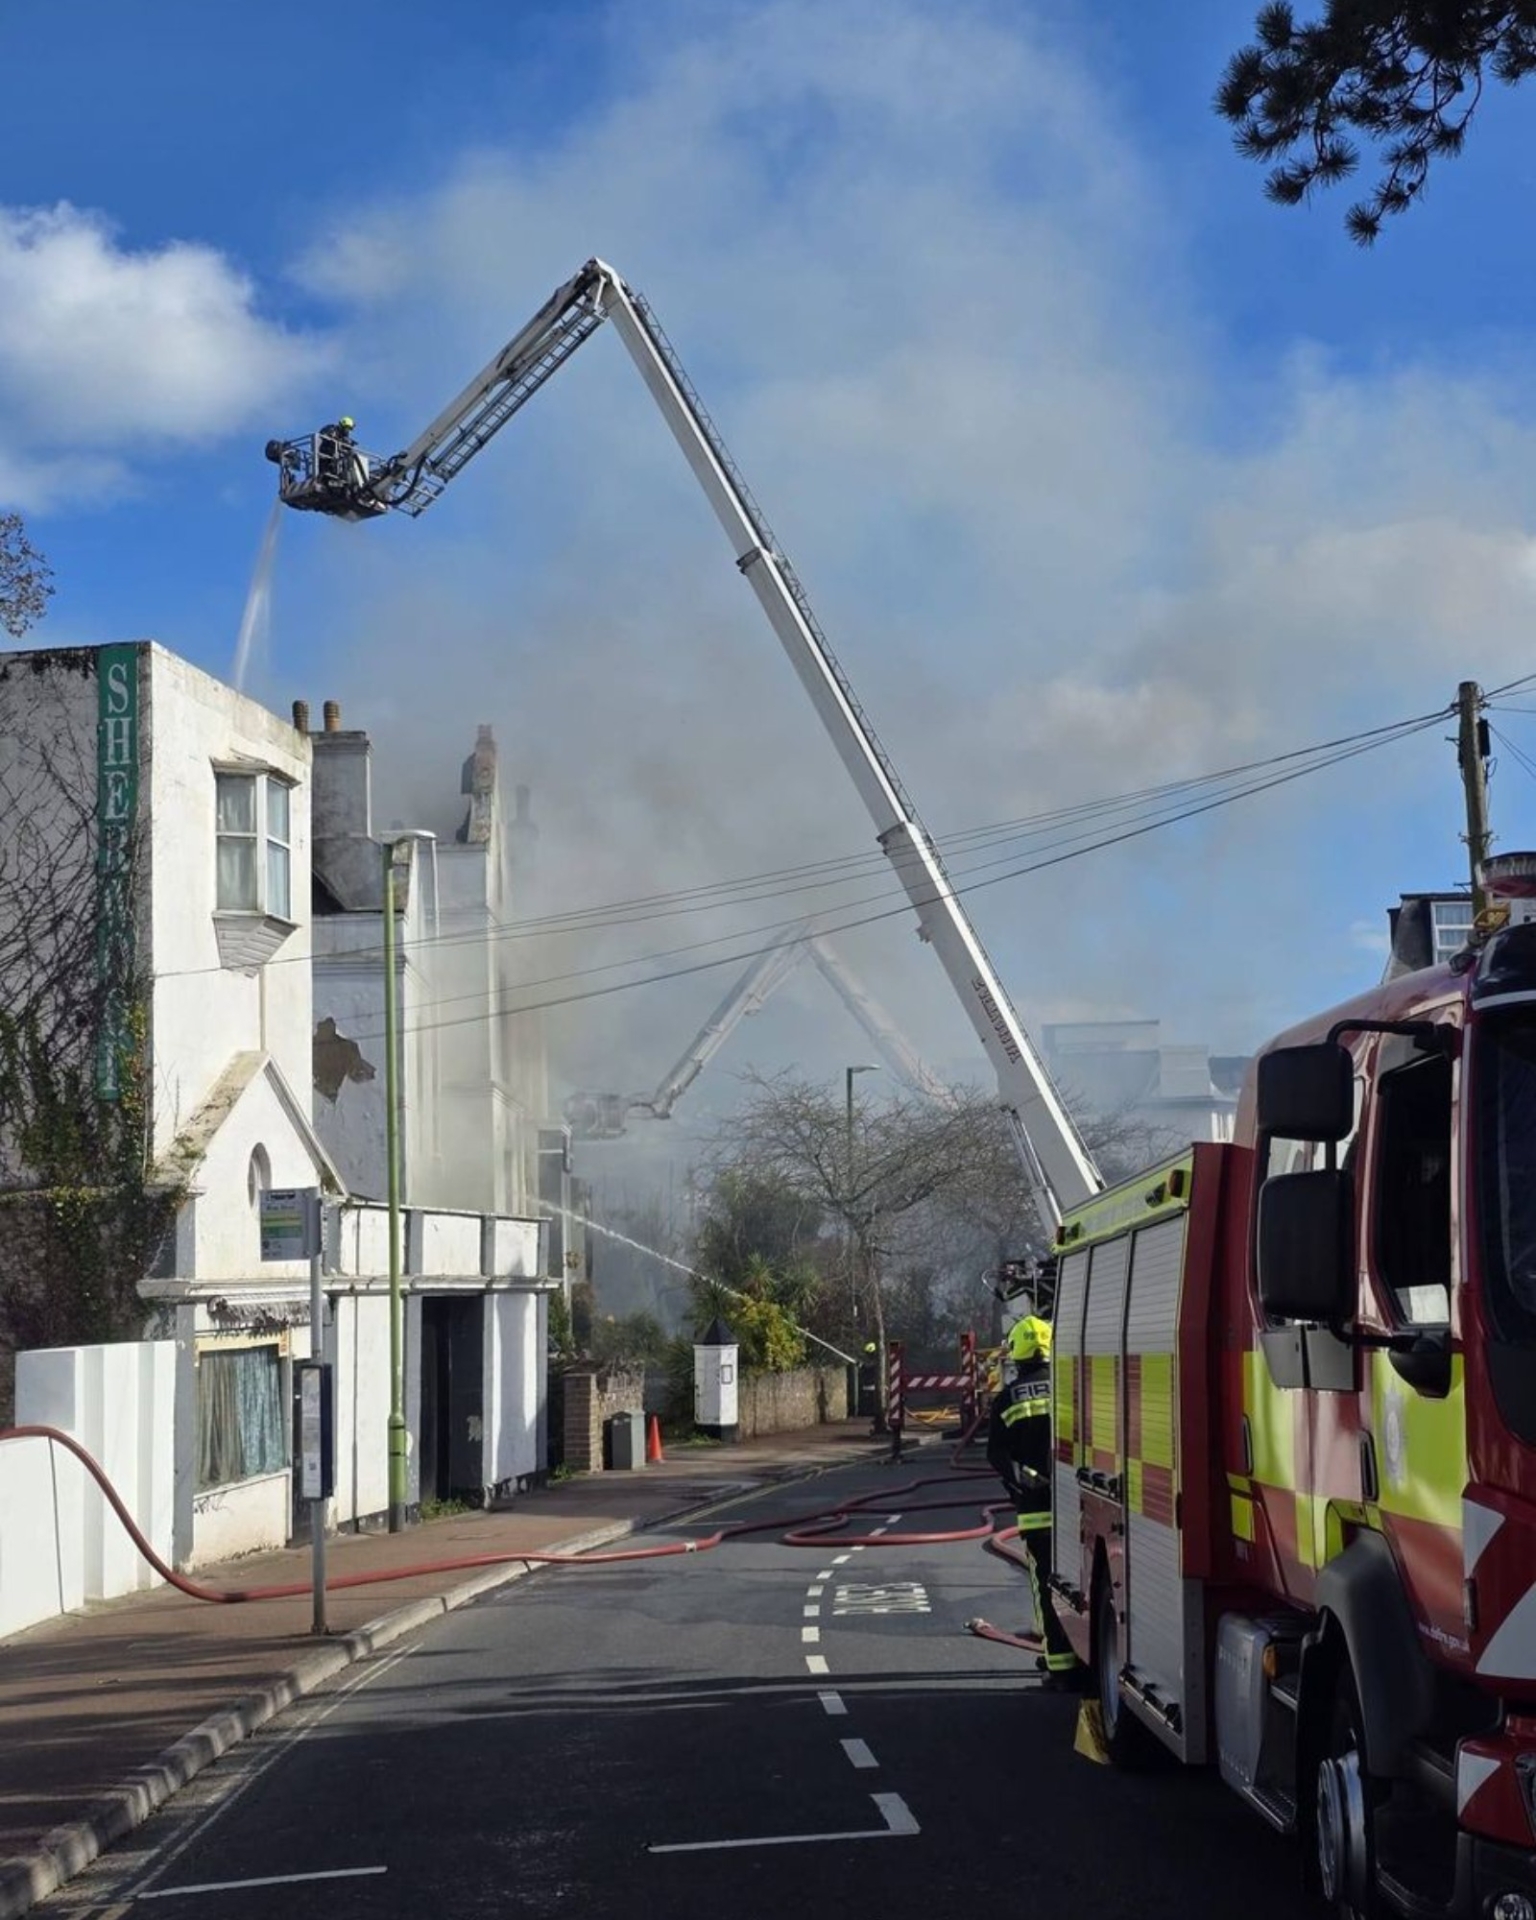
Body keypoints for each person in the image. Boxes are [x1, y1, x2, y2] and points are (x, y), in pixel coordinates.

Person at [986, 1308, 1080, 1682]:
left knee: (1047, 1587)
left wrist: (1018, 1484)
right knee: (1078, 1586)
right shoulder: (1072, 1387)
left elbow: (997, 1454)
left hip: (1036, 1513)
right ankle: (1082, 1657)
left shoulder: (1007, 1399)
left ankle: (1059, 1667)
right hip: (1078, 1508)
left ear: (1017, 1353)